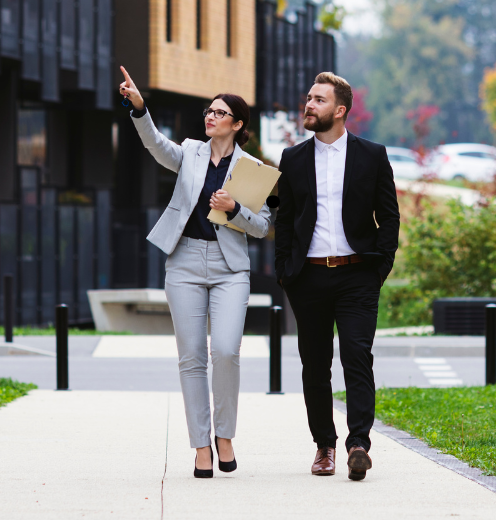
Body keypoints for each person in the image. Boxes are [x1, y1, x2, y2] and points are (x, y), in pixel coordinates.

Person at [118, 66, 276, 479]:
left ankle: (225, 435)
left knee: (225, 350)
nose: (210, 116)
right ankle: (202, 446)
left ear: (238, 124)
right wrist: (139, 108)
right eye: (209, 111)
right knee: (191, 359)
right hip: (184, 261)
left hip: (229, 268)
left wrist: (235, 209)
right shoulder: (189, 151)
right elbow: (155, 144)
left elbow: (263, 227)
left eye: (220, 113)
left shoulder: (253, 170)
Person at [274, 72, 400, 481]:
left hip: (357, 275)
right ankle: (324, 446)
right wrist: (285, 272)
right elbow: (286, 219)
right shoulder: (292, 158)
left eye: (319, 100)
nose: (309, 105)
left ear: (340, 110)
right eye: (308, 98)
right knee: (315, 365)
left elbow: (390, 217)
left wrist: (379, 267)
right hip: (307, 277)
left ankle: (358, 443)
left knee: (357, 357)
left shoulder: (372, 155)